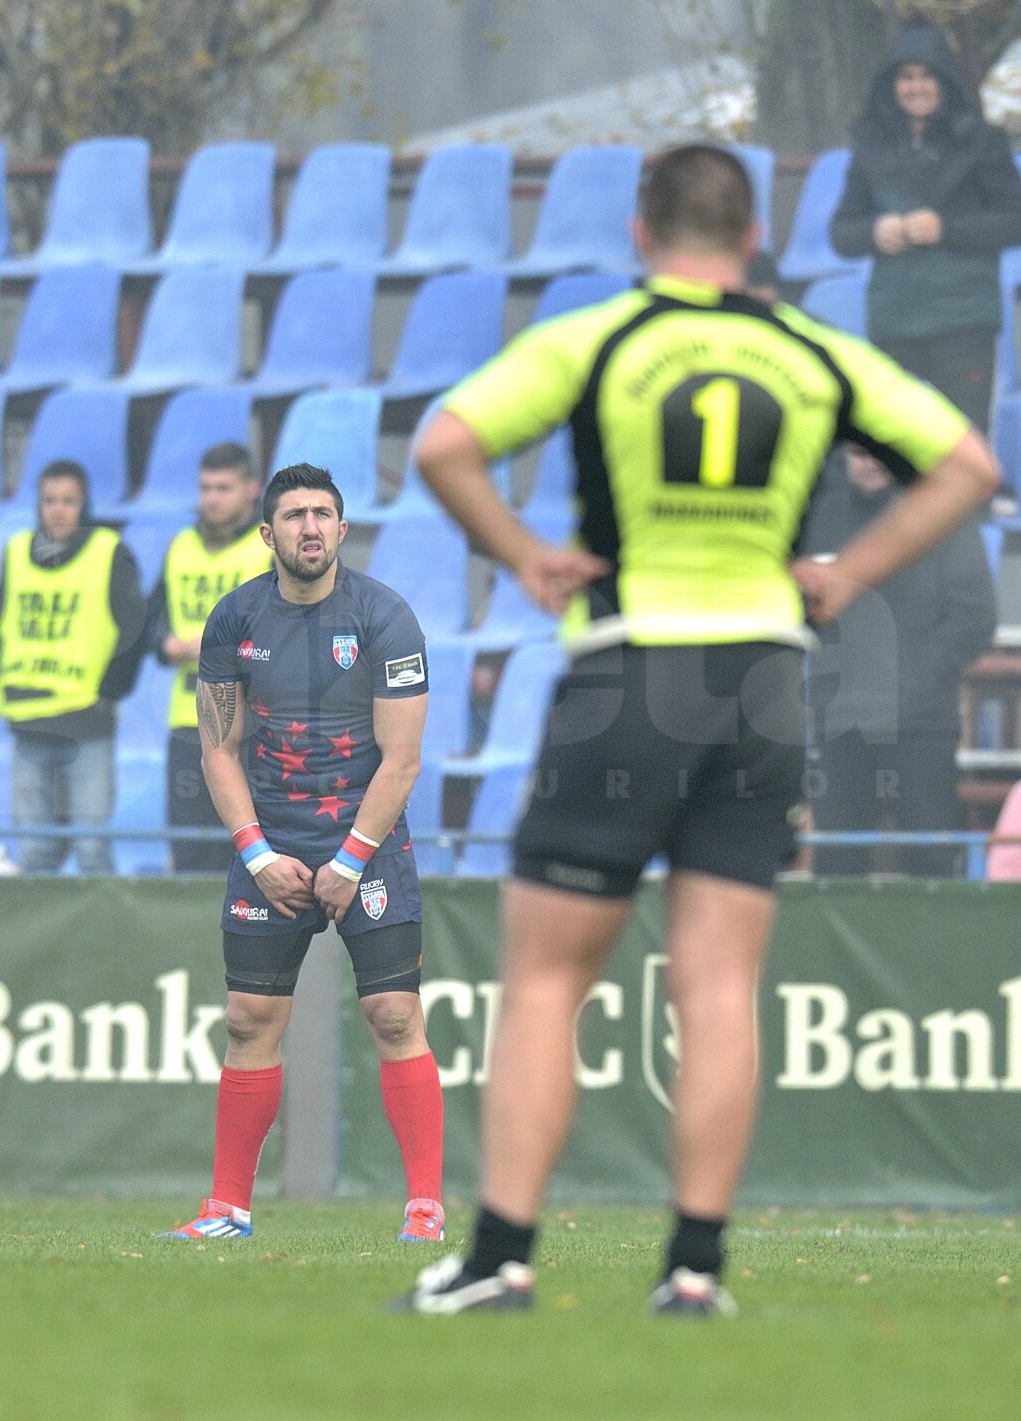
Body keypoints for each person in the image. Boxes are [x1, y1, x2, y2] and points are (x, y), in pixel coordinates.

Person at [392, 144, 998, 1316]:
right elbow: (968, 464)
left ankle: (500, 1257)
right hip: (766, 677)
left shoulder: (603, 338)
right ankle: (695, 1266)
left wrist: (523, 556)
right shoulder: (810, 349)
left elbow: (446, 444)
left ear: (640, 231)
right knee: (719, 986)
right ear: (754, 231)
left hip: (632, 667)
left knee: (545, 981)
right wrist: (847, 569)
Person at [161, 463, 445, 1243]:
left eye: (323, 513)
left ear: (343, 530)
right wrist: (256, 853)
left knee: (393, 1014)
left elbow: (403, 759)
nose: (310, 526)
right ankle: (227, 1209)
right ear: (267, 533)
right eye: (294, 515)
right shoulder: (232, 620)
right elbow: (218, 748)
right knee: (249, 1017)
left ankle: (424, 1206)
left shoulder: (387, 619)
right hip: (273, 844)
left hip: (369, 845)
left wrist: (351, 861)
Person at [802, 442, 996, 877]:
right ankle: (836, 948)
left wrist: (915, 681)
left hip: (921, 721)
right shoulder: (815, 516)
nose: (869, 461)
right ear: (842, 454)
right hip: (839, 721)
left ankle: (936, 947)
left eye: (879, 452)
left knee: (930, 857)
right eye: (858, 451)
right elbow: (790, 602)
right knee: (837, 863)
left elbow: (977, 616)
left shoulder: (942, 518)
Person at [830, 21, 1021, 434]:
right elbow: (842, 234)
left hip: (963, 322)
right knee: (892, 450)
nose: (916, 87)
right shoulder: (871, 145)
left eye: (927, 75)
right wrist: (874, 233)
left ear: (946, 81)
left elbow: (1013, 220)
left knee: (964, 450)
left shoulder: (982, 141)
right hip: (894, 321)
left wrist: (945, 228)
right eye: (906, 77)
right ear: (892, 85)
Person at [0, 459, 146, 874]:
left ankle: (103, 939)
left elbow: (133, 630)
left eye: (69, 501)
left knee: (92, 850)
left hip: (87, 723)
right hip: (27, 720)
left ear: (85, 504)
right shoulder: (16, 551)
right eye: (50, 501)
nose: (58, 510)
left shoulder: (110, 551)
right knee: (35, 854)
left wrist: (107, 694)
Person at [146, 442, 271, 873]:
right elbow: (153, 620)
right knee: (190, 850)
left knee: (248, 848)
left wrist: (223, 642)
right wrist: (166, 643)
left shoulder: (267, 547)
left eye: (223, 488)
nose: (211, 498)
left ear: (251, 488)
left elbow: (290, 629)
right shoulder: (180, 546)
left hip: (254, 720)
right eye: (205, 488)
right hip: (189, 719)